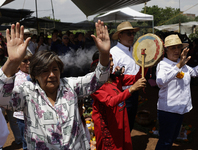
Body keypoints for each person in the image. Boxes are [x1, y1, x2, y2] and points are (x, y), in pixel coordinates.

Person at [0, 20, 110, 150]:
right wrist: (12, 62)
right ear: (35, 75)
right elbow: (2, 98)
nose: (51, 74)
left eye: (55, 69)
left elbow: (99, 79)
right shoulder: (27, 92)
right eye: (45, 70)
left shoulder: (71, 86)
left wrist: (104, 54)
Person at [91, 53, 147, 150]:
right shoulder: (94, 84)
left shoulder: (115, 78)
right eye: (109, 61)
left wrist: (145, 64)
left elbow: (136, 79)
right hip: (108, 129)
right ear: (98, 65)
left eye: (112, 60)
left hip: (120, 124)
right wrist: (131, 89)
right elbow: (110, 102)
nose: (112, 64)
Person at [155, 34, 198, 150]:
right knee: (165, 140)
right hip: (168, 110)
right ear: (166, 50)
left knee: (172, 137)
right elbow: (160, 81)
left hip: (179, 109)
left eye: (178, 47)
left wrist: (181, 64)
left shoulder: (182, 63)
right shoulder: (163, 64)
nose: (176, 50)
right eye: (173, 47)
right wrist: (178, 66)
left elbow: (194, 72)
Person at [110, 21, 141, 132]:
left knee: (130, 123)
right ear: (120, 35)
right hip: (121, 94)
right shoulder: (114, 52)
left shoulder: (134, 50)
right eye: (129, 33)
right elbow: (112, 78)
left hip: (134, 92)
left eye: (133, 33)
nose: (132, 36)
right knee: (121, 125)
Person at [13, 50, 32, 150]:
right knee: (26, 142)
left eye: (30, 60)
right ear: (18, 63)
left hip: (32, 115)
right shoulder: (19, 77)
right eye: (25, 61)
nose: (28, 62)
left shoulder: (31, 74)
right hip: (23, 117)